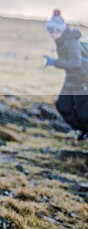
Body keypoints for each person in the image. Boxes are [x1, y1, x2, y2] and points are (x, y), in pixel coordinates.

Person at [43, 9, 88, 140]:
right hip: (71, 81)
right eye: (49, 29)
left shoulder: (71, 41)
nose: (51, 33)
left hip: (82, 81)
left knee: (84, 112)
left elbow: (75, 63)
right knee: (63, 106)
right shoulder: (61, 40)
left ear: (60, 29)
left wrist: (54, 62)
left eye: (54, 30)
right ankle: (84, 130)